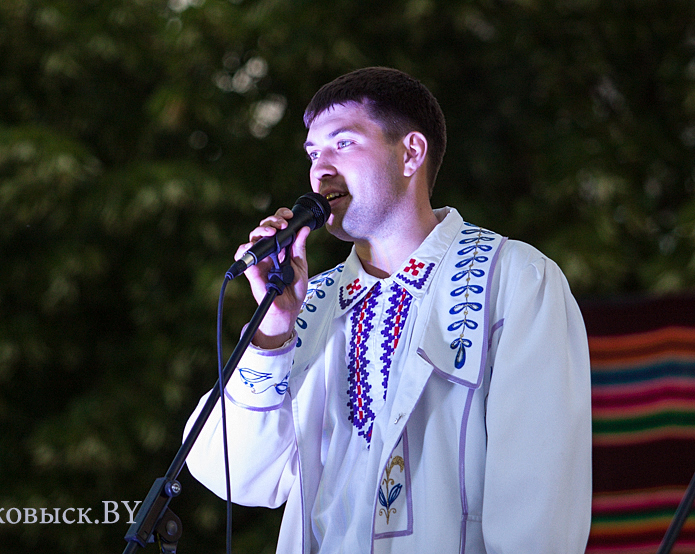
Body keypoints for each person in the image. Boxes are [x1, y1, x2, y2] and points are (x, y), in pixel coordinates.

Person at [185, 67, 592, 553]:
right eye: (313, 153)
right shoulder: (311, 303)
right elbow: (235, 474)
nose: (320, 170)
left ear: (411, 153)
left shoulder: (513, 279)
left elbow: (538, 505)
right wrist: (272, 331)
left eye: (343, 143)